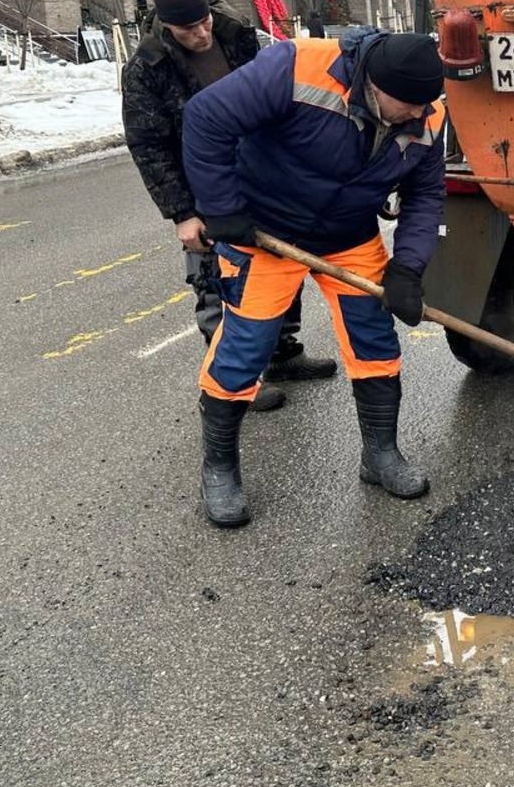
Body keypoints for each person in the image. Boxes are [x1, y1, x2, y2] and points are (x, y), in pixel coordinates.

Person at [181, 29, 446, 528]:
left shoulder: (427, 116)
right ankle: (219, 469)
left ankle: (380, 454)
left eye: (426, 104)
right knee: (246, 347)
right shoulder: (296, 66)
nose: (419, 114)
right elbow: (205, 117)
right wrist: (222, 208)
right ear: (375, 86)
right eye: (409, 104)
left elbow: (426, 196)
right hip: (264, 234)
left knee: (374, 341)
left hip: (348, 236)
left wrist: (408, 267)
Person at [121, 0, 336, 414]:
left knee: (279, 265)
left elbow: (273, 98)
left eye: (204, 22)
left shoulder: (236, 34)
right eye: (189, 29)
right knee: (219, 281)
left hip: (261, 175)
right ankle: (232, 380)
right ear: (167, 26)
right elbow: (149, 145)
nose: (202, 34)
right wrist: (182, 213)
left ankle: (281, 354)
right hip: (201, 186)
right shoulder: (148, 67)